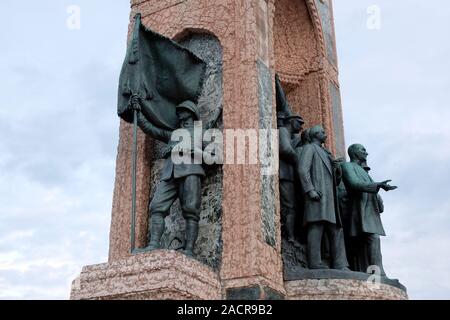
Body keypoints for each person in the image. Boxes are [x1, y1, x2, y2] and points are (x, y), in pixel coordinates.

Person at [130, 95, 205, 257]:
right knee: (156, 207)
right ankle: (153, 244)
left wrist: (190, 150)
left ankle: (189, 250)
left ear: (191, 113)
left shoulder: (201, 133)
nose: (179, 114)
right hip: (169, 174)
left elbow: (215, 156)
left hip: (190, 172)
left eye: (182, 111)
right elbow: (151, 129)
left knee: (191, 211)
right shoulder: (173, 134)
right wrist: (138, 112)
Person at [341, 144, 397, 276]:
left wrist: (380, 192)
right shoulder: (347, 166)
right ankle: (378, 273)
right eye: (363, 150)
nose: (366, 153)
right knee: (371, 238)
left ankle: (372, 272)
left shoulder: (363, 170)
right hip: (358, 207)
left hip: (369, 208)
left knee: (367, 240)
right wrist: (378, 185)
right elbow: (354, 183)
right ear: (354, 153)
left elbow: (371, 187)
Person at [298, 125, 348, 270]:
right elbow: (302, 169)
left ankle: (340, 264)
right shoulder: (310, 149)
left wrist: (336, 168)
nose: (325, 133)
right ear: (314, 135)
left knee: (336, 229)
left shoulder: (326, 153)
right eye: (322, 132)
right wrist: (310, 189)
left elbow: (336, 180)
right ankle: (314, 262)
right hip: (317, 196)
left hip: (330, 199)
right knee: (316, 226)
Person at [278, 111, 304, 247]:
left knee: (293, 206)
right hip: (284, 174)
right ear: (291, 120)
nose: (301, 127)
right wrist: (301, 160)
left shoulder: (291, 135)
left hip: (289, 175)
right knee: (289, 206)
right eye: (299, 123)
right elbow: (285, 149)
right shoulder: (282, 131)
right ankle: (290, 237)